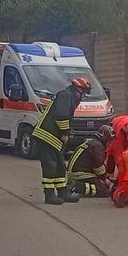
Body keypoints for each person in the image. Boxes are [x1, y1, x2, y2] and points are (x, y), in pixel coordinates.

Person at [33, 76, 92, 205]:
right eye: (84, 92)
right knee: (50, 165)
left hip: (53, 138)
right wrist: (65, 133)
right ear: (78, 89)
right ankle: (49, 195)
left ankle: (63, 192)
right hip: (47, 136)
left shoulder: (69, 96)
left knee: (60, 165)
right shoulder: (66, 96)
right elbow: (61, 115)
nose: (83, 97)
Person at [67, 125, 113, 198]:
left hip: (75, 172)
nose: (110, 143)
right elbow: (98, 166)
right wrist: (105, 180)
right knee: (104, 191)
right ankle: (77, 186)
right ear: (105, 138)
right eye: (109, 140)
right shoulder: (98, 146)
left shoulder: (92, 142)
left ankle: (75, 184)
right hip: (81, 173)